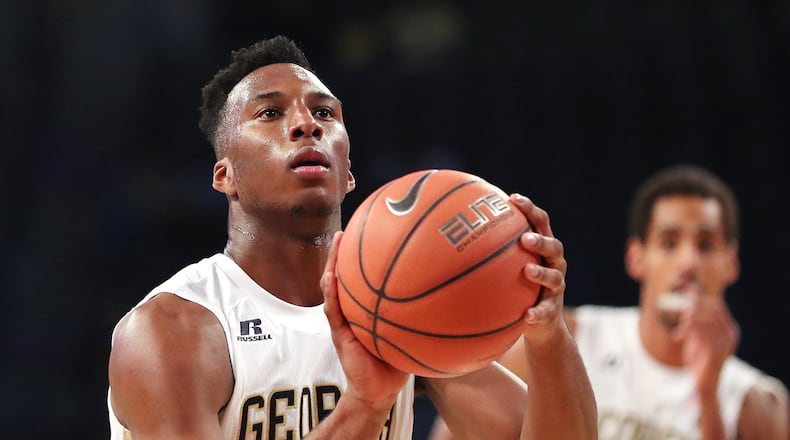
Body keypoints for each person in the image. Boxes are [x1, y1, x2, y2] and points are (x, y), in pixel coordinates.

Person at [106, 35, 597, 439]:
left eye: (325, 114)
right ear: (224, 176)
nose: (305, 124)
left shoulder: (399, 306)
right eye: (270, 114)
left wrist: (547, 331)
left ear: (348, 174)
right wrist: (365, 407)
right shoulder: (171, 331)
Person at [432, 164, 789, 440]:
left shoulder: (758, 403)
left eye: (706, 245)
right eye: (669, 243)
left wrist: (709, 397)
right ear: (636, 257)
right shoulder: (564, 339)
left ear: (731, 262)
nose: (689, 263)